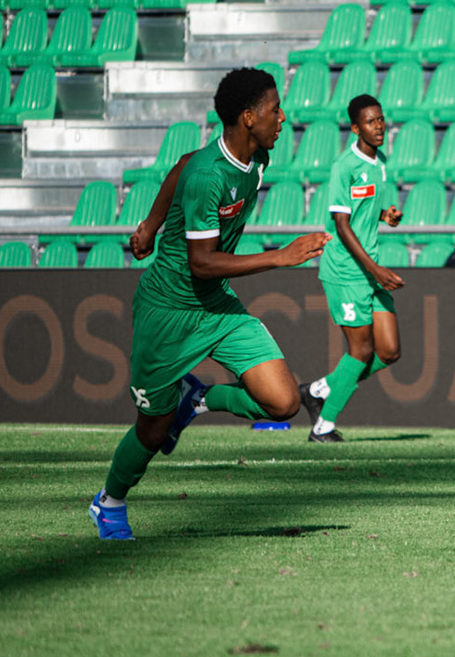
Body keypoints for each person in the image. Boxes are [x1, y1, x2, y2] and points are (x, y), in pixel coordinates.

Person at [90, 69, 329, 540]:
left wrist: (151, 224)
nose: (283, 117)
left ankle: (198, 399)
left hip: (215, 305)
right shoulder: (208, 176)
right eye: (274, 109)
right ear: (249, 118)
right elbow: (200, 262)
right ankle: (109, 502)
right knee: (153, 431)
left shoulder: (257, 157)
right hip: (168, 310)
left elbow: (182, 162)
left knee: (283, 402)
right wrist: (279, 256)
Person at [299, 94, 404, 443]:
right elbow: (342, 226)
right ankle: (323, 428)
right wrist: (375, 269)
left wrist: (385, 215)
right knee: (361, 351)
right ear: (356, 128)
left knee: (389, 351)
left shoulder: (381, 161)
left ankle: (318, 390)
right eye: (371, 122)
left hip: (369, 268)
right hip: (347, 271)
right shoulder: (343, 167)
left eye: (381, 119)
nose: (379, 126)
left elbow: (365, 209)